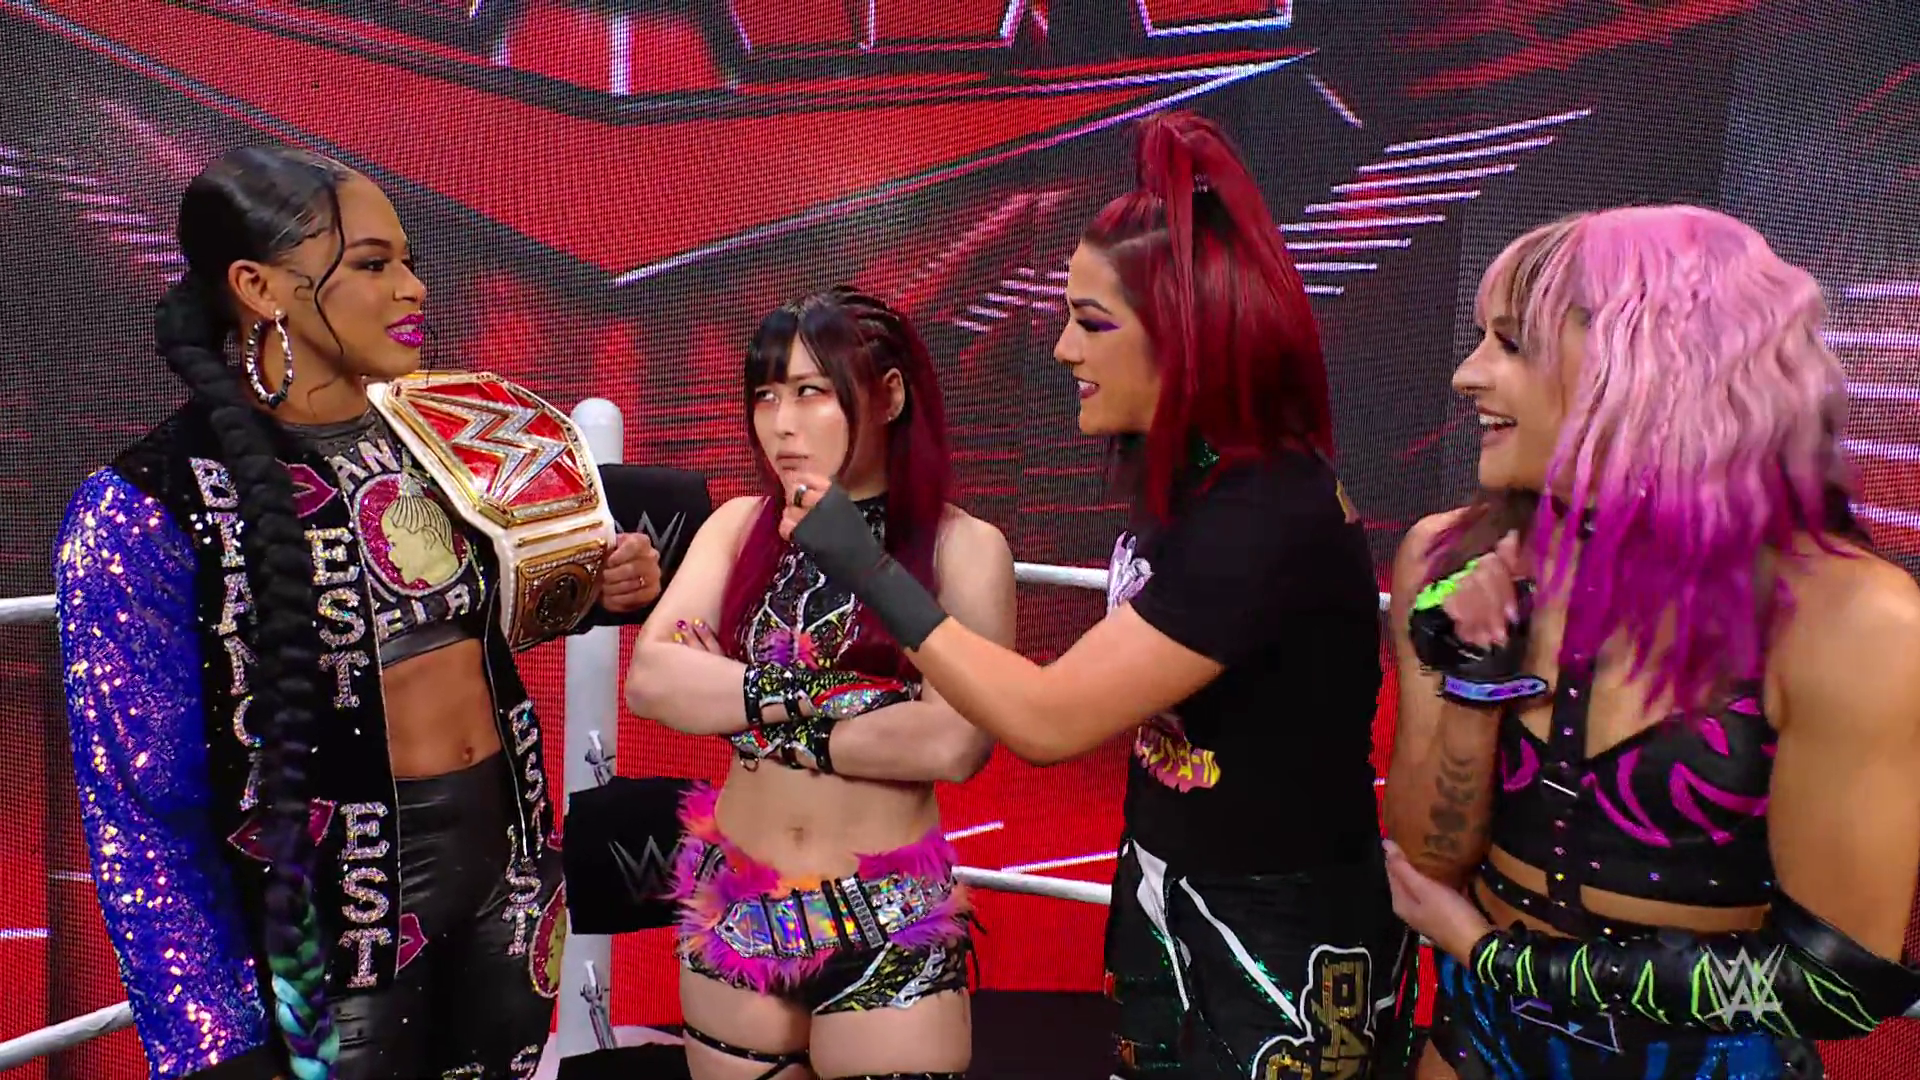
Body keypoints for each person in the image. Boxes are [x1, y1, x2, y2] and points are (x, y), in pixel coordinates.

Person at [775, 111, 1411, 1079]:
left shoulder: (1263, 513)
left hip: (1278, 942)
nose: (1064, 349)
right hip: (1173, 900)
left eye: (1092, 322)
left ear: (1190, 338)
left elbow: (1047, 717)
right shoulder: (1202, 490)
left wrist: (869, 570)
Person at [53, 145, 662, 1080]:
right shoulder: (143, 505)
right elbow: (144, 815)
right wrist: (213, 1041)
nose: (413, 289)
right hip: (324, 933)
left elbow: (462, 617)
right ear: (259, 287)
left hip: (510, 882)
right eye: (374, 265)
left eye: (409, 262)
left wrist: (593, 586)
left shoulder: (453, 443)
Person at [1379, 206, 1920, 1080]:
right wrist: (1477, 682)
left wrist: (1499, 958)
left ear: (1653, 367)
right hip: (1476, 1043)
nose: (1467, 375)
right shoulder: (1452, 557)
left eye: (1512, 344)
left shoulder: (1852, 618)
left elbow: (1836, 986)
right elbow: (1428, 863)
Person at [623, 285, 1016, 1080]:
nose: (781, 423)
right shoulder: (737, 526)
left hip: (888, 930)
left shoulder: (964, 549)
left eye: (811, 392)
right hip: (735, 917)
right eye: (766, 396)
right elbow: (653, 680)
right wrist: (862, 701)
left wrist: (740, 703)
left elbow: (952, 742)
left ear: (891, 396)